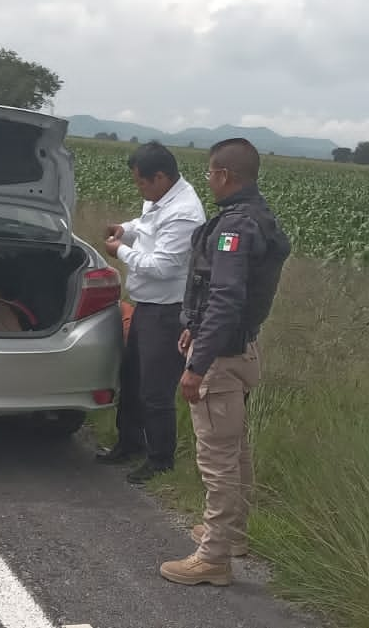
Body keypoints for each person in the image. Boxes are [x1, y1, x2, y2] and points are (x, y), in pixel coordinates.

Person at [159, 137, 291, 587]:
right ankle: (230, 535)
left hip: (222, 356)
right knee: (236, 451)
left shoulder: (234, 227)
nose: (208, 180)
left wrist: (198, 364)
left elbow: (226, 296)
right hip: (243, 347)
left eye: (210, 173)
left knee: (216, 459)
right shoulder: (261, 217)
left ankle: (213, 557)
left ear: (224, 176)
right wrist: (194, 326)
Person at [98, 142, 207, 484]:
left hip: (168, 312)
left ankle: (160, 460)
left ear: (160, 176)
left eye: (141, 182)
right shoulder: (160, 198)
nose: (139, 189)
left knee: (155, 391)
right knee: (131, 379)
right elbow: (145, 226)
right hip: (147, 307)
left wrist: (121, 251)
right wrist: (125, 229)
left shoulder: (184, 213)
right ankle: (129, 443)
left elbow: (161, 266)